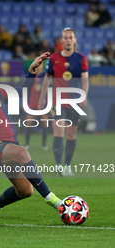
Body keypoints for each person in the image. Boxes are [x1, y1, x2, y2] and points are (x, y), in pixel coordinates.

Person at [0, 52, 62, 218]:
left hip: (9, 145)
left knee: (25, 190)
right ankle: (55, 202)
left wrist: (31, 72)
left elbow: (22, 91)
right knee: (23, 153)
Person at [38, 28, 89, 177]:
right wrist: (42, 97)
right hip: (57, 100)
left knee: (72, 134)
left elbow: (85, 79)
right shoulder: (54, 58)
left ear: (75, 40)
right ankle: (59, 165)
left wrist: (84, 95)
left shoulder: (81, 58)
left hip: (74, 101)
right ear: (61, 41)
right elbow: (47, 78)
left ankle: (67, 166)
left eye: (70, 38)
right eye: (65, 38)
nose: (68, 40)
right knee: (58, 131)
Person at [24, 61, 49, 151]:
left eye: (40, 65)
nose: (39, 67)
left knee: (45, 123)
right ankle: (26, 144)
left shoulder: (46, 77)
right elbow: (26, 91)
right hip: (32, 104)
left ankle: (44, 144)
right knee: (28, 123)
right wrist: (24, 103)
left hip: (43, 105)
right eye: (38, 65)